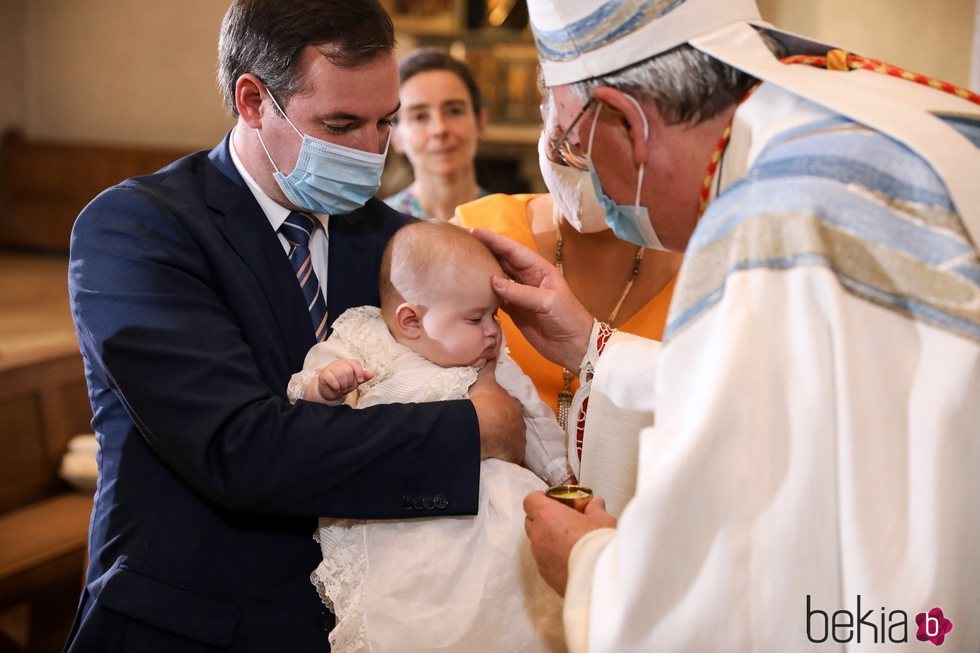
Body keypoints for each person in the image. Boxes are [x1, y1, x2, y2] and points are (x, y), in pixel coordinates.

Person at [472, 0, 980, 650]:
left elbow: (734, 597)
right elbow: (811, 409)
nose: (584, 176)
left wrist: (592, 563)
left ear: (627, 123)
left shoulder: (769, 214)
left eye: (574, 144)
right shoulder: (846, 131)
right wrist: (592, 347)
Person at [64, 2, 525, 651]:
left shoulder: (407, 250)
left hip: (370, 623)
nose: (371, 150)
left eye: (384, 122)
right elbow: (241, 447)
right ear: (254, 100)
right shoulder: (139, 230)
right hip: (194, 624)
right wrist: (470, 430)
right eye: (340, 123)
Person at [289, 221, 569, 652]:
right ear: (411, 320)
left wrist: (562, 477)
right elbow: (305, 404)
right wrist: (325, 387)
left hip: (494, 522)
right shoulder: (367, 340)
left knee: (513, 605)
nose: (493, 331)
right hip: (400, 527)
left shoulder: (489, 359)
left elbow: (533, 417)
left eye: (493, 316)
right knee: (411, 620)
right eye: (475, 318)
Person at [457, 93, 683, 514]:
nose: (584, 170)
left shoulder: (702, 263)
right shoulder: (478, 233)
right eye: (564, 146)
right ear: (543, 115)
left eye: (604, 151)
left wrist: (590, 344)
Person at [384, 47, 492, 221]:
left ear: (480, 122)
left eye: (454, 111)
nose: (440, 129)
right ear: (396, 137)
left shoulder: (509, 217)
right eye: (420, 117)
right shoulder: (381, 227)